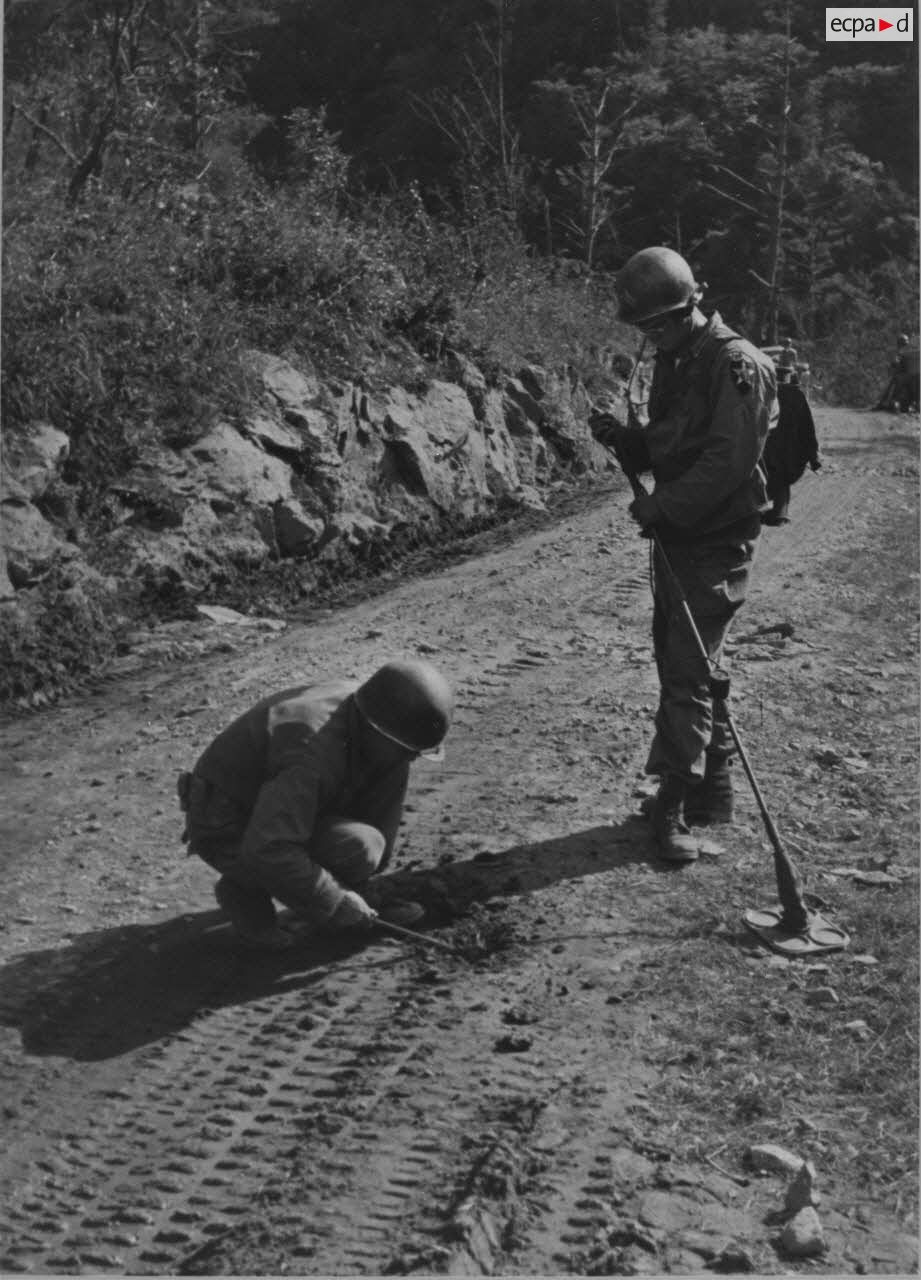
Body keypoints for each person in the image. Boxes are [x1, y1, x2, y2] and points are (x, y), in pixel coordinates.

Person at [590, 246, 777, 864]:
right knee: (686, 661)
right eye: (643, 328)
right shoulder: (677, 359)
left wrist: (663, 507)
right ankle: (710, 795)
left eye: (661, 323)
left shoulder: (736, 365)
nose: (653, 336)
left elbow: (729, 460)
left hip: (715, 539)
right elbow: (675, 443)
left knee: (688, 671)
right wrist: (630, 443)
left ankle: (672, 805)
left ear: (692, 305)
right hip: (679, 538)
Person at [178, 658, 453, 949]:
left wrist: (361, 888)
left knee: (369, 843)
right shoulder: (313, 753)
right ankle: (243, 890)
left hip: (273, 806)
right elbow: (269, 847)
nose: (411, 759)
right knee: (355, 848)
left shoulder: (374, 720)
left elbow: (382, 816)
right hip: (227, 824)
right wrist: (331, 898)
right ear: (378, 731)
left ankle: (345, 895)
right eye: (408, 750)